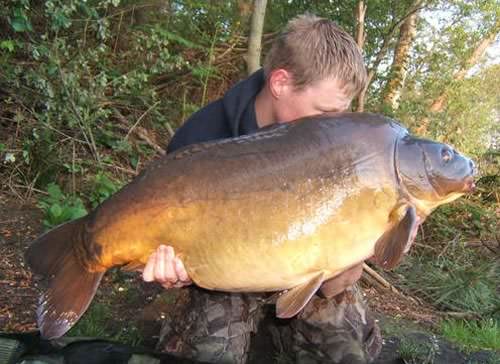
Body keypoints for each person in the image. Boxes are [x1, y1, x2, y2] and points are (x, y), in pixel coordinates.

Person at [142, 14, 381, 364]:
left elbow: (341, 261)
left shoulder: (339, 146)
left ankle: (283, 331)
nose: (334, 125)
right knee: (208, 351)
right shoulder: (203, 138)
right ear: (281, 83)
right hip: (227, 276)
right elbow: (177, 246)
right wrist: (177, 272)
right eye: (326, 111)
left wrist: (351, 260)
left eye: (340, 115)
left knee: (344, 351)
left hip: (306, 267)